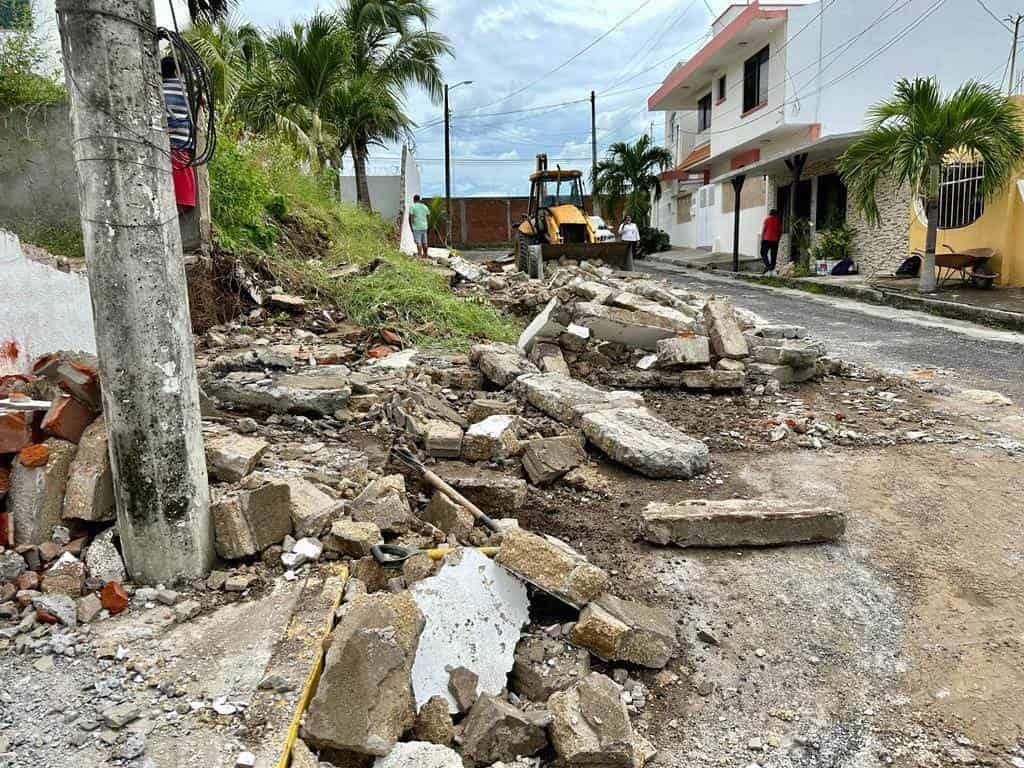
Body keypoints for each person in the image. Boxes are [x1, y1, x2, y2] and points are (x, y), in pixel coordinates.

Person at [161, 55, 196, 212]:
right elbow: (200, 99)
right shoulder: (186, 87)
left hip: (162, 145)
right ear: (176, 72)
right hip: (180, 145)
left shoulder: (158, 87)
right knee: (183, 198)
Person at [761, 208, 782, 274]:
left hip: (766, 239)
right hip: (775, 240)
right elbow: (780, 231)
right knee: (773, 255)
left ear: (770, 213)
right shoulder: (778, 221)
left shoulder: (767, 219)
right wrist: (778, 239)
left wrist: (762, 239)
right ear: (776, 214)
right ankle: (772, 268)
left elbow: (764, 230)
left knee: (763, 253)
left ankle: (768, 266)